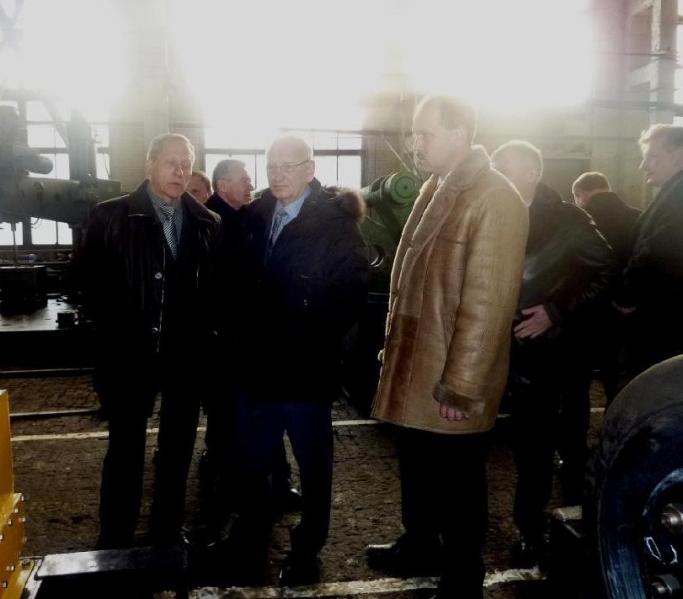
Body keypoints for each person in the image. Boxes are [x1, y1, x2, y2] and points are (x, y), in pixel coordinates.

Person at [366, 95, 529, 599]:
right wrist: (394, 350)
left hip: (449, 374)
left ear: (459, 135)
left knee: (458, 481)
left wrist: (461, 386)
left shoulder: (493, 197)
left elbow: (489, 304)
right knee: (416, 466)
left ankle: (463, 577)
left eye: (425, 134)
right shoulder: (438, 186)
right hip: (418, 363)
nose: (415, 144)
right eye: (416, 133)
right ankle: (419, 544)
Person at [225, 135, 370, 587]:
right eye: (271, 165)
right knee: (250, 460)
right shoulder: (254, 216)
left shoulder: (335, 223)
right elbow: (234, 283)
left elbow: (350, 292)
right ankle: (249, 534)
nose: (277, 174)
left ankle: (307, 548)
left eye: (288, 166)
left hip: (307, 370)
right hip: (257, 369)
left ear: (310, 170)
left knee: (313, 467)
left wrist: (309, 338)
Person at [78, 133, 222, 550]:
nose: (180, 171)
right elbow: (87, 285)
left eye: (186, 164)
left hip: (185, 356)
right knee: (125, 448)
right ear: (150, 163)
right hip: (128, 355)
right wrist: (109, 340)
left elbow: (214, 292)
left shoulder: (208, 223)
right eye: (171, 162)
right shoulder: (110, 217)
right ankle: (116, 535)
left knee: (177, 449)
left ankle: (167, 529)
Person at [490, 141, 617, 567]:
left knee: (542, 446)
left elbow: (608, 271)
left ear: (531, 172)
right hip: (501, 349)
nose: (497, 175)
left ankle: (537, 529)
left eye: (504, 168)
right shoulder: (493, 213)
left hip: (553, 356)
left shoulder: (569, 219)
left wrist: (558, 310)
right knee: (521, 443)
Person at [197, 159, 300, 542]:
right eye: (243, 179)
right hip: (228, 345)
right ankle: (233, 499)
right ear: (223, 185)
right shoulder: (212, 224)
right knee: (230, 422)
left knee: (259, 417)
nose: (251, 183)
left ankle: (270, 488)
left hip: (249, 342)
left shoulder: (245, 218)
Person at [614, 124, 683, 380]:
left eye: (652, 157)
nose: (643, 166)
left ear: (679, 156)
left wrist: (625, 297)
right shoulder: (672, 191)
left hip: (664, 320)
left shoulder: (678, 195)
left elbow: (656, 252)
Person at [572, 171, 641, 405]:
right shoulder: (640, 217)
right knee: (619, 378)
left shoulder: (578, 219)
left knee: (577, 381)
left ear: (580, 194)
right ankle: (617, 424)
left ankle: (576, 429)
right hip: (627, 311)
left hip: (585, 311)